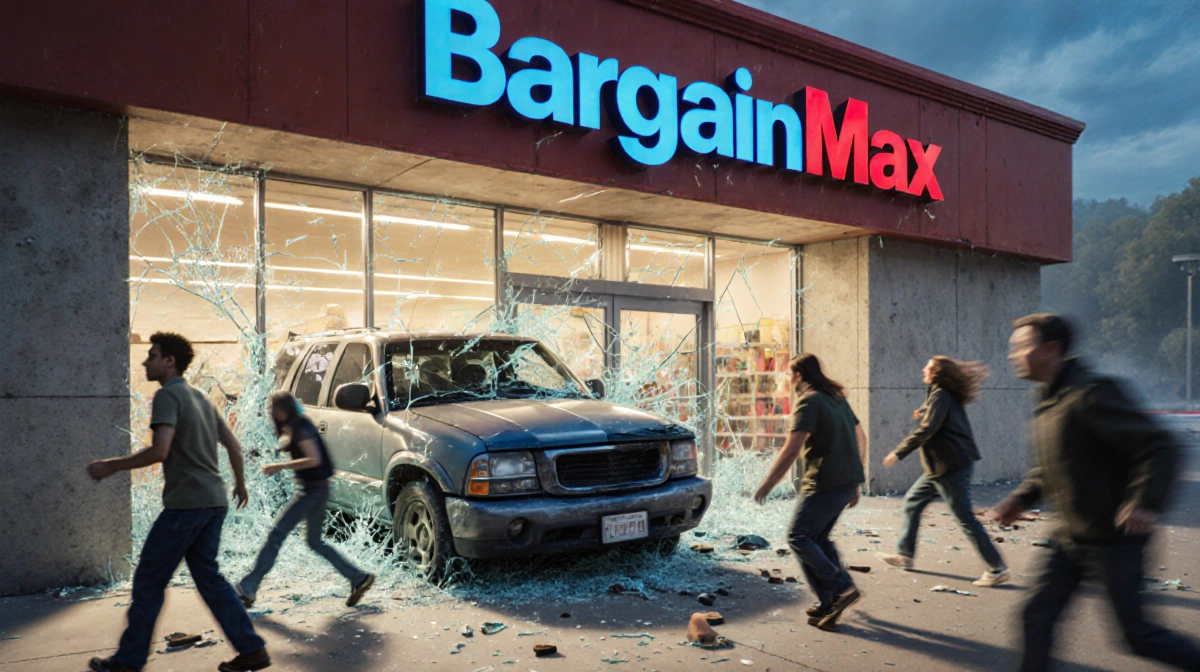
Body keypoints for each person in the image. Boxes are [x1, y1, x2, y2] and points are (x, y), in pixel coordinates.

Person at [992, 314, 1200, 671]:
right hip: (1069, 539)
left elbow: (1159, 445)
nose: (1013, 355)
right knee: (1035, 618)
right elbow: (1051, 468)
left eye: (1022, 346)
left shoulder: (1090, 393)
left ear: (1051, 349)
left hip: (1114, 540)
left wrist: (1143, 501)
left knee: (1137, 635)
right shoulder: (1048, 402)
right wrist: (1022, 498)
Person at [86, 332, 270, 672]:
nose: (146, 361)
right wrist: (240, 485)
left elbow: (160, 450)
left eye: (152, 355)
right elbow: (233, 445)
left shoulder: (168, 395)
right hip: (214, 502)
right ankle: (252, 649)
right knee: (210, 579)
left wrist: (112, 466)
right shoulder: (200, 396)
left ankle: (128, 662)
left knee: (148, 581)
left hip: (187, 505)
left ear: (169, 361)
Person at [753, 353, 866, 631]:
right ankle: (829, 601)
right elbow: (859, 436)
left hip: (825, 481)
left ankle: (840, 587)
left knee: (799, 536)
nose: (788, 379)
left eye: (790, 374)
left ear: (800, 375)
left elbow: (792, 449)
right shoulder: (836, 398)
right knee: (818, 538)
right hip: (845, 481)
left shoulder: (809, 401)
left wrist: (767, 483)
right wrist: (856, 480)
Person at [235, 392, 375, 609]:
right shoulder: (295, 426)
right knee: (314, 541)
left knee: (276, 535)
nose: (269, 410)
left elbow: (313, 459)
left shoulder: (301, 426)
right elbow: (290, 446)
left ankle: (248, 587)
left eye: (272, 406)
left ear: (282, 409)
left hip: (311, 491)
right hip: (316, 488)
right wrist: (262, 452)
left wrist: (279, 466)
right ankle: (358, 578)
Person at [878, 356, 1010, 587]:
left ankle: (996, 568)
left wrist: (898, 452)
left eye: (928, 367)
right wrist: (922, 411)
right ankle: (905, 555)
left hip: (950, 466)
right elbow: (935, 417)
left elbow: (928, 429)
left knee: (965, 517)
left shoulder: (941, 395)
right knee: (913, 501)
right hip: (939, 467)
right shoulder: (939, 394)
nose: (923, 369)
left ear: (938, 372)